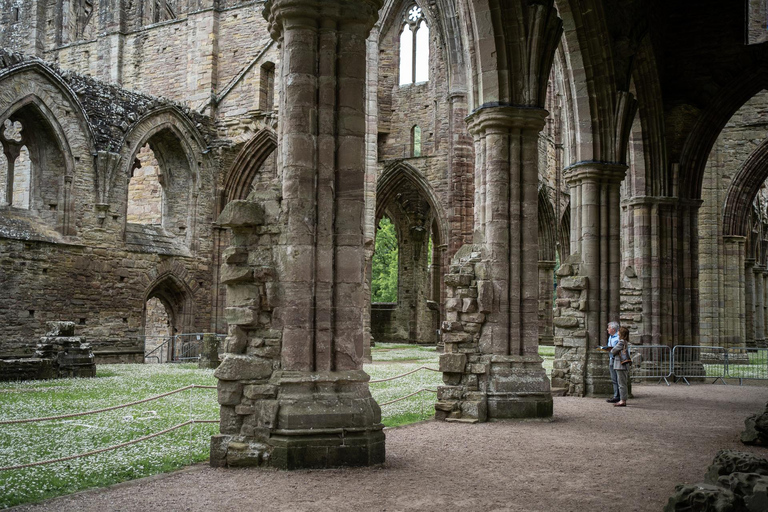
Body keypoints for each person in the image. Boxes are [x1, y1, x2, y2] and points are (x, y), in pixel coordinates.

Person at [600, 321, 621, 403]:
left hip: (618, 360)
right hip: (611, 359)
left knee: (619, 379)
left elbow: (618, 348)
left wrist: (610, 349)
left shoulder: (619, 337)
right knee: (614, 379)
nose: (607, 329)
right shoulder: (611, 337)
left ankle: (621, 397)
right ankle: (616, 396)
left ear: (613, 329)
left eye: (608, 328)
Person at [610, 326, 631, 407]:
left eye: (619, 331)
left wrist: (612, 349)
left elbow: (613, 350)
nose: (617, 332)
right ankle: (623, 399)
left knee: (621, 383)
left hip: (620, 365)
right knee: (622, 383)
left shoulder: (621, 341)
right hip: (621, 365)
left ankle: (623, 400)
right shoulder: (624, 341)